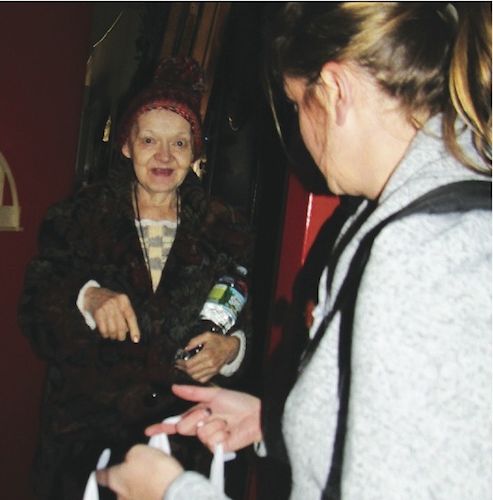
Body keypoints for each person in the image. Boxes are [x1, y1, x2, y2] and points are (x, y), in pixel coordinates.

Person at [96, 2, 492, 499]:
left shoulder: (427, 256)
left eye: (295, 102)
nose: (302, 133)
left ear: (333, 90)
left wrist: (172, 493)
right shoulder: (390, 219)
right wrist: (277, 422)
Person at [18, 56, 254, 500]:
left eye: (179, 144)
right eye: (149, 140)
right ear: (127, 144)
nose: (164, 156)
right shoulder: (80, 217)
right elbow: (35, 312)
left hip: (184, 440)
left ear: (194, 152)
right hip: (87, 444)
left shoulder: (225, 226)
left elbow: (242, 310)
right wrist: (87, 297)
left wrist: (232, 348)